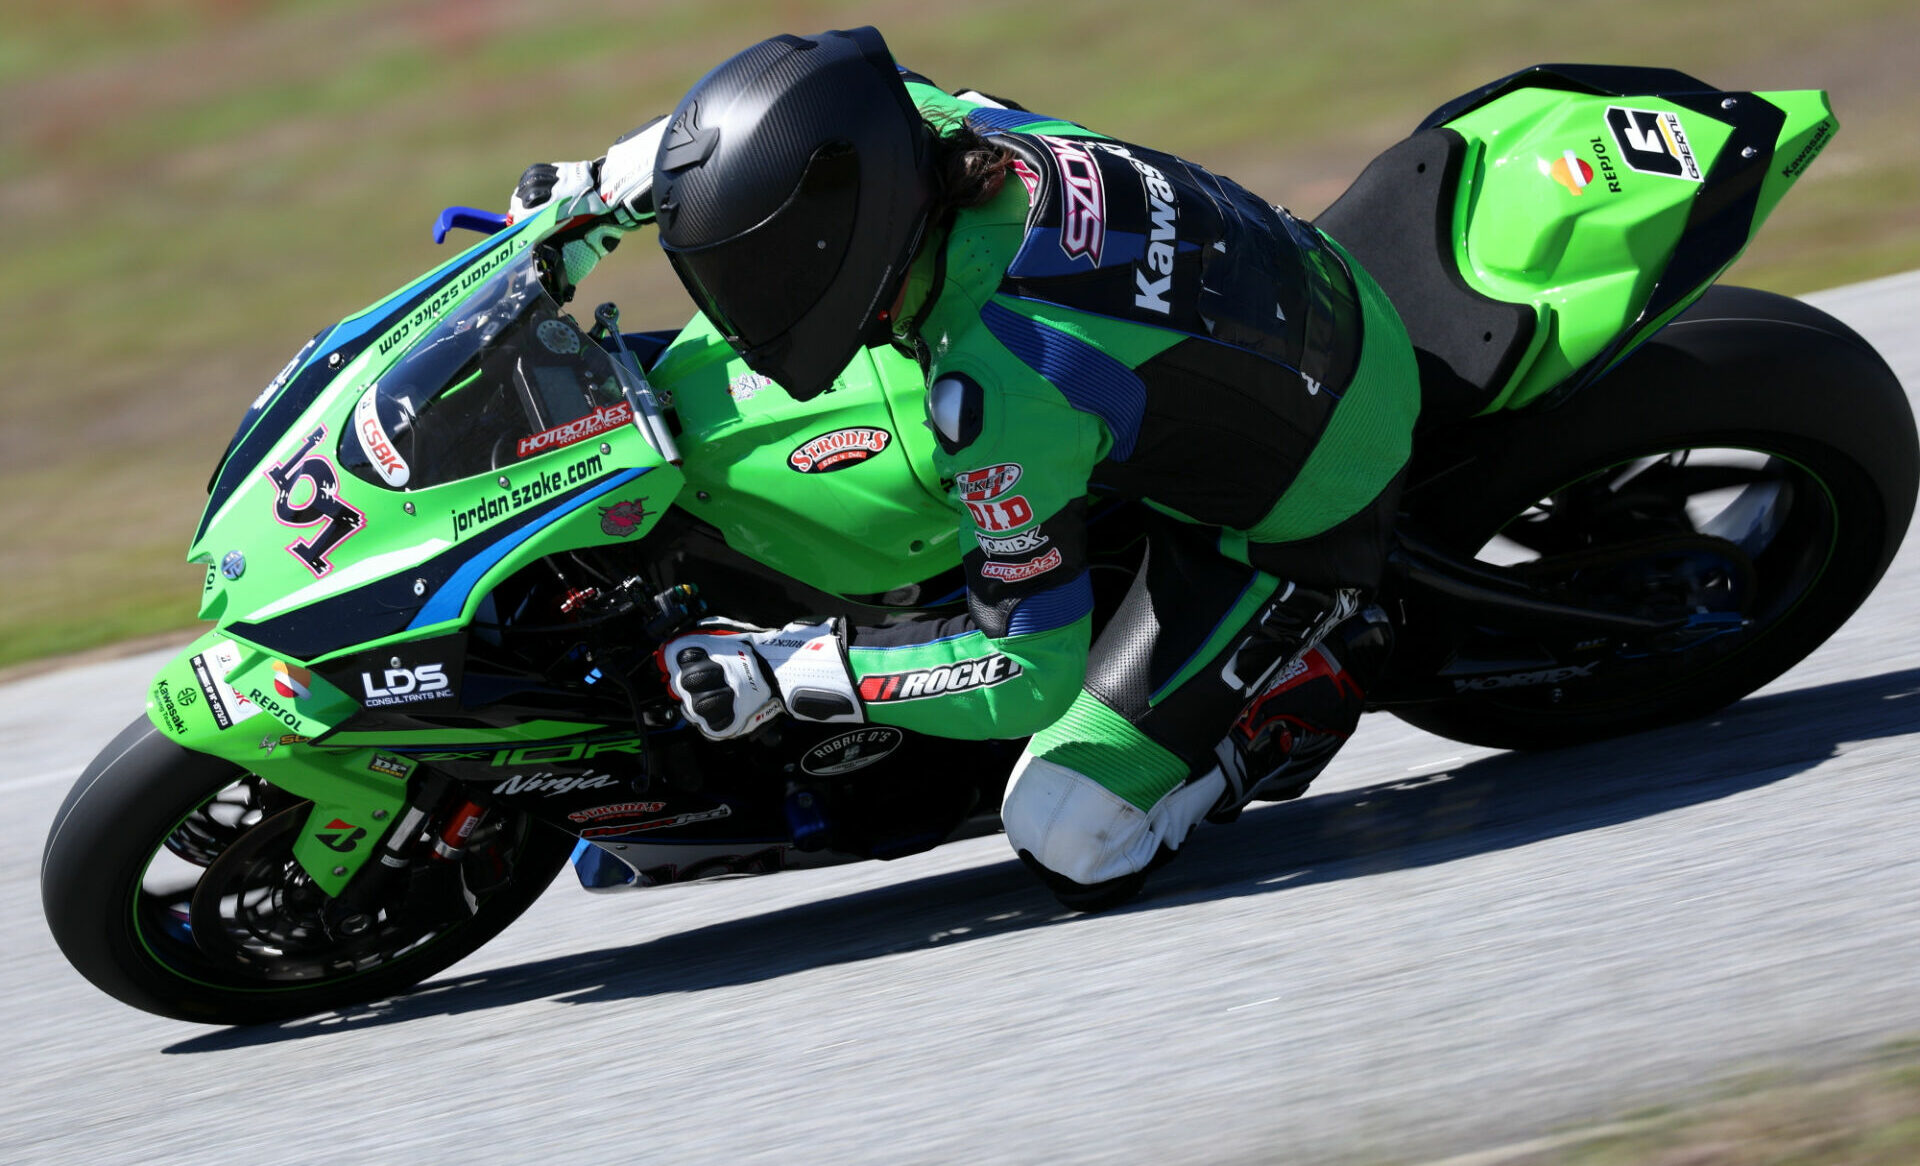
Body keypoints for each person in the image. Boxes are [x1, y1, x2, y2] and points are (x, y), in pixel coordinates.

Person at [507, 26, 1420, 910]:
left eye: (758, 275)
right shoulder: (935, 128)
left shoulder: (1005, 388)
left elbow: (1023, 670)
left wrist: (790, 670)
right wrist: (586, 197)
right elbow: (767, 126)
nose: (737, 304)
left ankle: (1301, 677)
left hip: (1311, 500)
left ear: (843, 251)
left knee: (1070, 833)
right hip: (1308, 291)